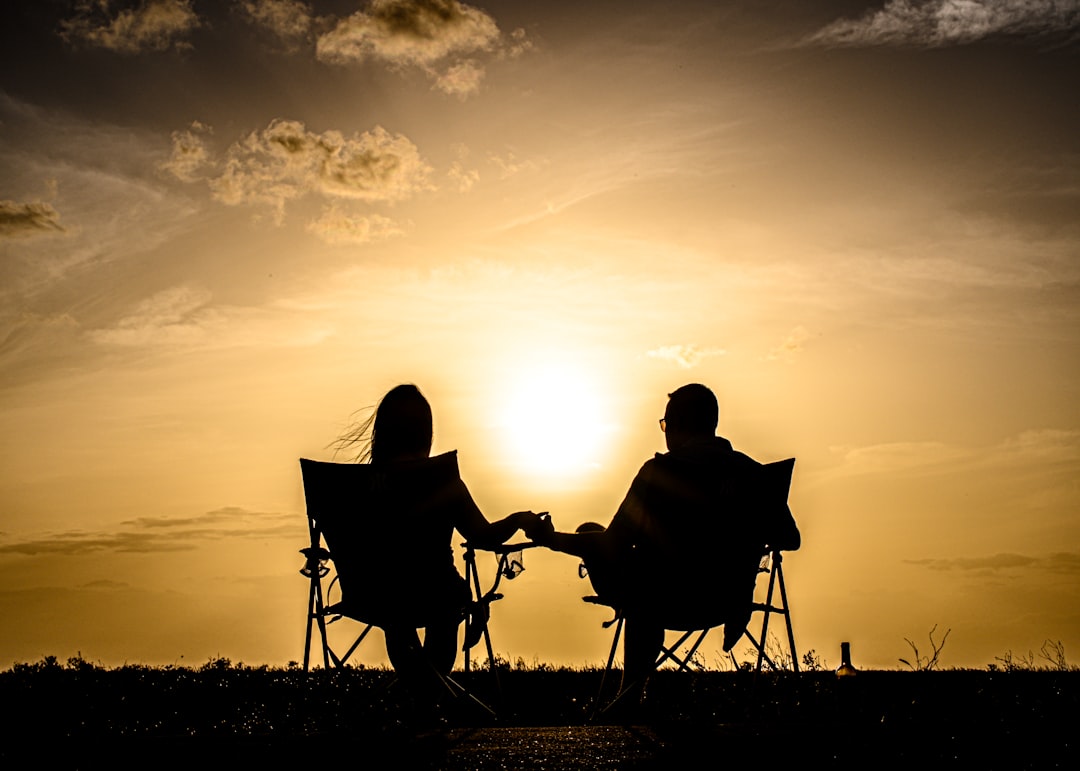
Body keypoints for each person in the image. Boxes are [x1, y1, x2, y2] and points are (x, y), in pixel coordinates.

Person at [529, 383, 800, 705]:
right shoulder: (754, 475)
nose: (664, 433)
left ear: (679, 425)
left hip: (662, 601)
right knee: (648, 581)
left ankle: (629, 694)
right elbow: (790, 539)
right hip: (726, 599)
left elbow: (612, 544)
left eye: (666, 424)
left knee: (613, 554)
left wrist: (552, 540)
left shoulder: (659, 473)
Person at [325, 383, 544, 700]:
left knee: (395, 615)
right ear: (424, 432)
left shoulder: (354, 489)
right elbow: (483, 537)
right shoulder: (441, 481)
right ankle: (433, 696)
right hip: (437, 594)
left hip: (374, 594)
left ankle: (418, 695)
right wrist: (519, 519)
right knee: (444, 607)